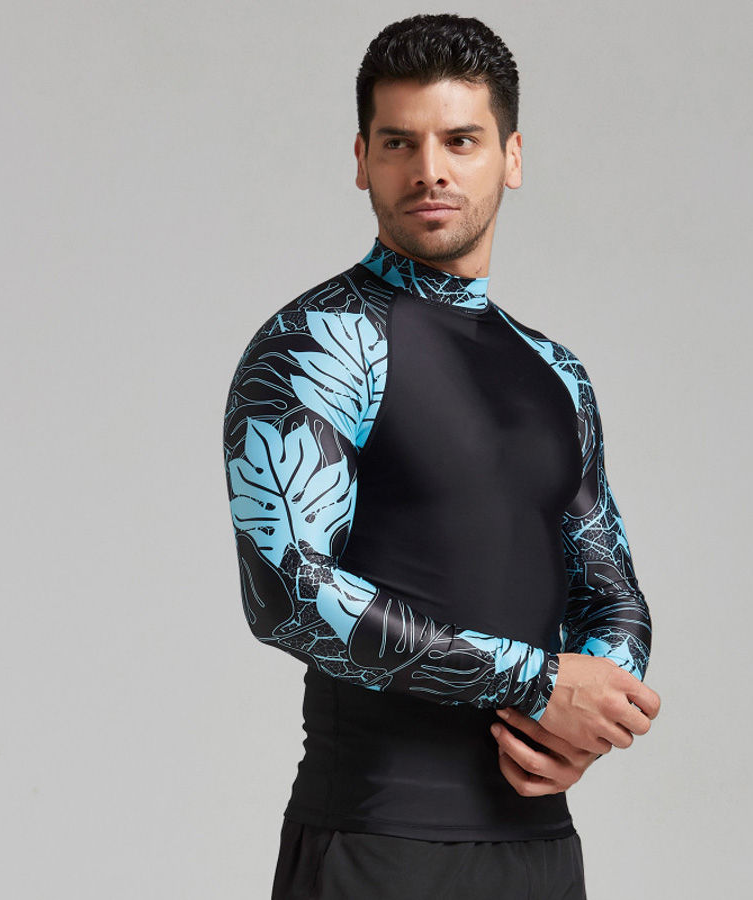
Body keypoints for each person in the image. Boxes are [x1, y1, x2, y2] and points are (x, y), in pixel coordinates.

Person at [222, 13, 660, 899]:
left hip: (540, 847)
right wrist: (540, 684)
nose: (430, 170)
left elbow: (610, 590)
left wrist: (589, 719)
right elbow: (287, 593)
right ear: (362, 160)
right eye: (399, 143)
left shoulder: (556, 373)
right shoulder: (319, 344)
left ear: (511, 156)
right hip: (376, 844)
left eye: (461, 140)